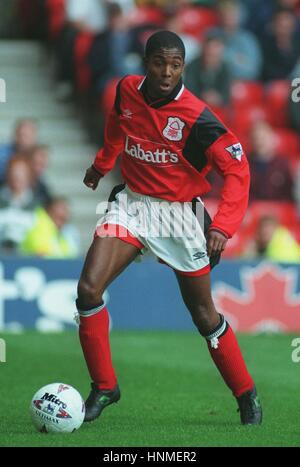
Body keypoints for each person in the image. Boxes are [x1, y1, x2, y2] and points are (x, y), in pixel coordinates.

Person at [76, 30, 262, 425]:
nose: (167, 72)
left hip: (181, 216)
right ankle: (104, 386)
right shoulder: (126, 89)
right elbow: (116, 126)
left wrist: (223, 227)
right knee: (88, 289)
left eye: (175, 65)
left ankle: (246, 394)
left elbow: (238, 169)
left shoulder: (197, 117)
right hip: (134, 205)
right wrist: (102, 164)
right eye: (160, 63)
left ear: (183, 67)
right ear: (146, 63)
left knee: (203, 315)